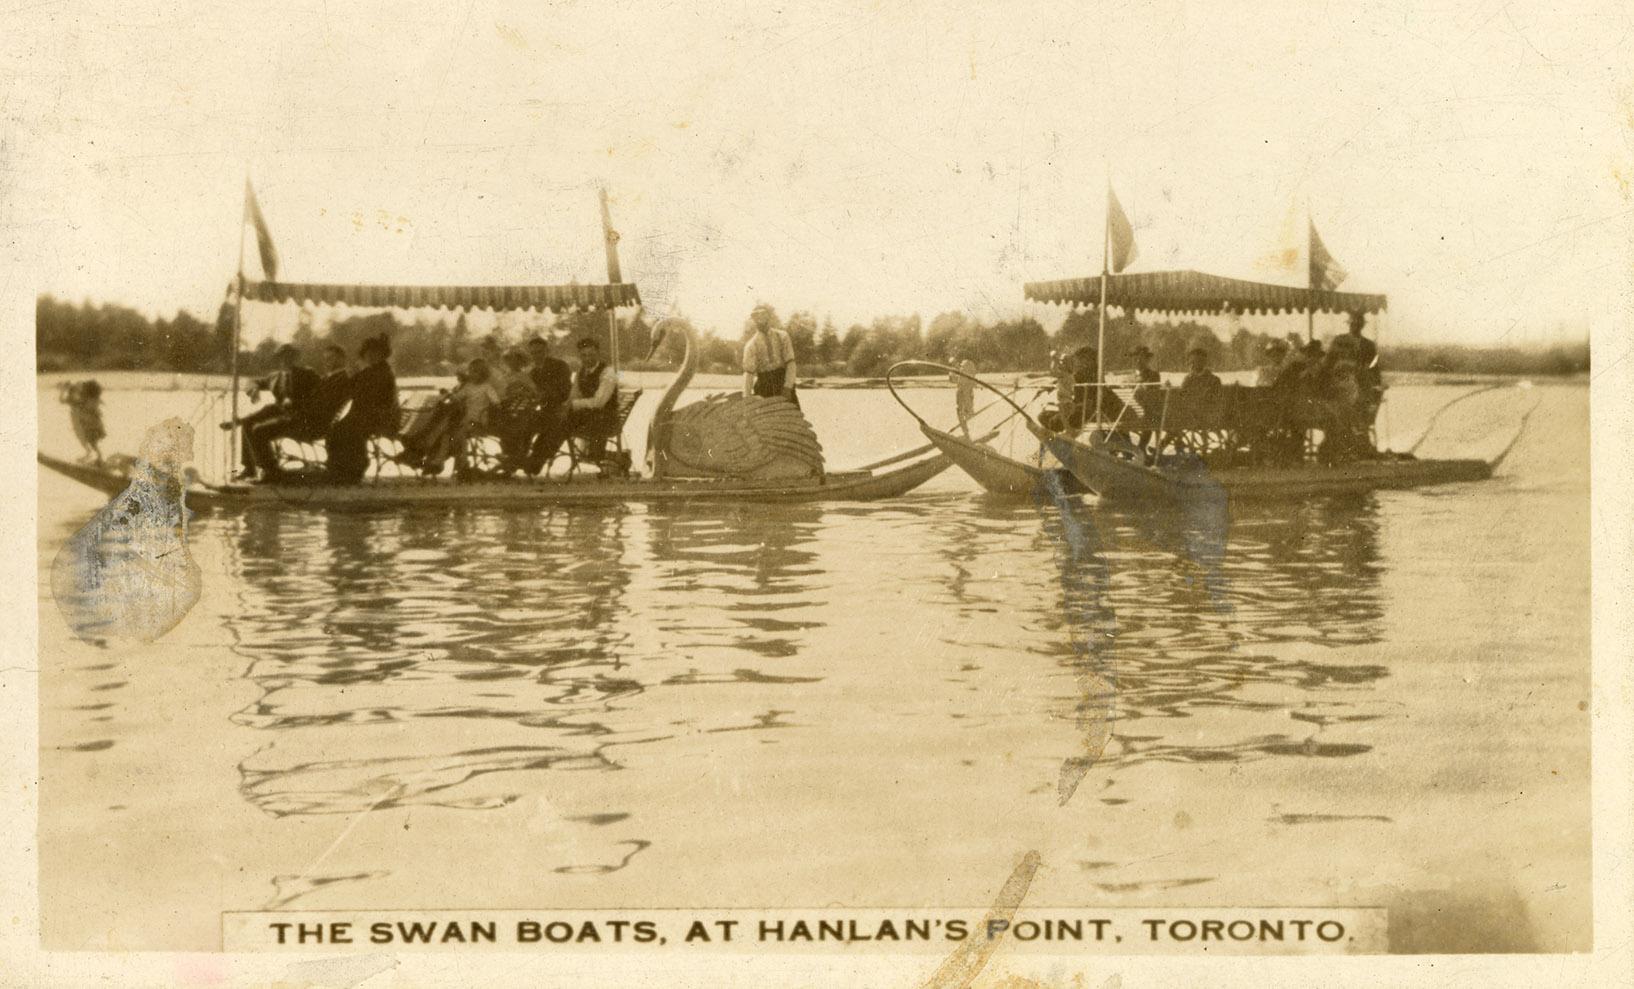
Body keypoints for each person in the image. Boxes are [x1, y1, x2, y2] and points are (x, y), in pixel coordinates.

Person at [246, 343, 352, 479]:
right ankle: (260, 469)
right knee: (251, 424)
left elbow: (322, 406)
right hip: (302, 419)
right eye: (326, 359)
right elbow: (316, 401)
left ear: (342, 359)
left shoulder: (338, 379)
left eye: (331, 359)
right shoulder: (329, 378)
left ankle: (272, 473)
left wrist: (296, 412)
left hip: (311, 424)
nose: (327, 362)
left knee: (259, 430)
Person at [227, 344, 319, 480]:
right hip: (279, 416)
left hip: (299, 419)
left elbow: (322, 393)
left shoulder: (307, 374)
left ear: (296, 358)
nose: (285, 361)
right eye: (282, 357)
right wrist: (254, 390)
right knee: (247, 425)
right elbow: (252, 381)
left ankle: (271, 471)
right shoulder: (275, 377)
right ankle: (250, 468)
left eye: (289, 357)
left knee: (259, 430)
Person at [326, 334, 399, 484]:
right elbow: (349, 386)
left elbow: (372, 396)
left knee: (346, 430)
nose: (371, 356)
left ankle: (353, 470)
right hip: (364, 415)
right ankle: (340, 469)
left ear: (382, 354)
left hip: (378, 417)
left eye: (374, 353)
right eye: (368, 354)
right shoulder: (370, 371)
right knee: (336, 429)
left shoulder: (384, 373)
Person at [523, 335, 574, 475]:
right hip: (546, 411)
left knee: (553, 426)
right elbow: (532, 393)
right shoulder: (533, 371)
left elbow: (564, 389)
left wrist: (544, 395)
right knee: (522, 422)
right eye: (533, 353)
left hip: (564, 409)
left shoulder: (560, 366)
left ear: (547, 351)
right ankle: (517, 459)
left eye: (539, 352)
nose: (536, 356)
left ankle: (534, 463)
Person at [566, 336, 619, 465]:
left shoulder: (607, 373)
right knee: (557, 419)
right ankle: (541, 457)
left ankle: (608, 457)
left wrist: (573, 405)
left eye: (591, 355)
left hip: (606, 418)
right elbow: (574, 394)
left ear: (598, 353)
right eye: (583, 355)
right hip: (588, 416)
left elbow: (599, 402)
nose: (587, 358)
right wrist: (567, 405)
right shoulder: (580, 373)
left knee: (563, 422)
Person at [447, 357, 502, 479]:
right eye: (470, 371)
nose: (471, 374)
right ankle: (457, 463)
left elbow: (496, 402)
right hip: (467, 421)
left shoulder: (487, 387)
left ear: (482, 373)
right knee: (452, 433)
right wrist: (450, 395)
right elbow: (457, 397)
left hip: (478, 422)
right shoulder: (468, 387)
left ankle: (463, 464)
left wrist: (492, 406)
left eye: (475, 371)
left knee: (460, 433)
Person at [741, 304, 798, 406]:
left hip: (783, 382)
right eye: (756, 316)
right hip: (764, 385)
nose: (760, 318)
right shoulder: (751, 345)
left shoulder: (782, 336)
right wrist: (746, 398)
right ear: (753, 320)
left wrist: (788, 387)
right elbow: (748, 373)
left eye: (763, 314)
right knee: (765, 420)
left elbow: (791, 363)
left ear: (769, 317)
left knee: (791, 418)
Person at [59, 380, 106, 465]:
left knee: (91, 441)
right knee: (92, 442)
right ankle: (98, 457)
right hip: (90, 424)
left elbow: (70, 401)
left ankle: (97, 457)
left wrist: (65, 390)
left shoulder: (85, 400)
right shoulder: (88, 399)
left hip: (91, 425)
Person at [950, 354, 977, 438]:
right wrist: (953, 372)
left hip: (967, 392)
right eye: (952, 364)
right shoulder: (954, 370)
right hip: (961, 392)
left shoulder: (967, 364)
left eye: (954, 362)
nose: (954, 364)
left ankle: (967, 432)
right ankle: (966, 433)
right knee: (959, 411)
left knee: (968, 413)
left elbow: (969, 377)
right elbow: (952, 380)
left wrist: (957, 372)